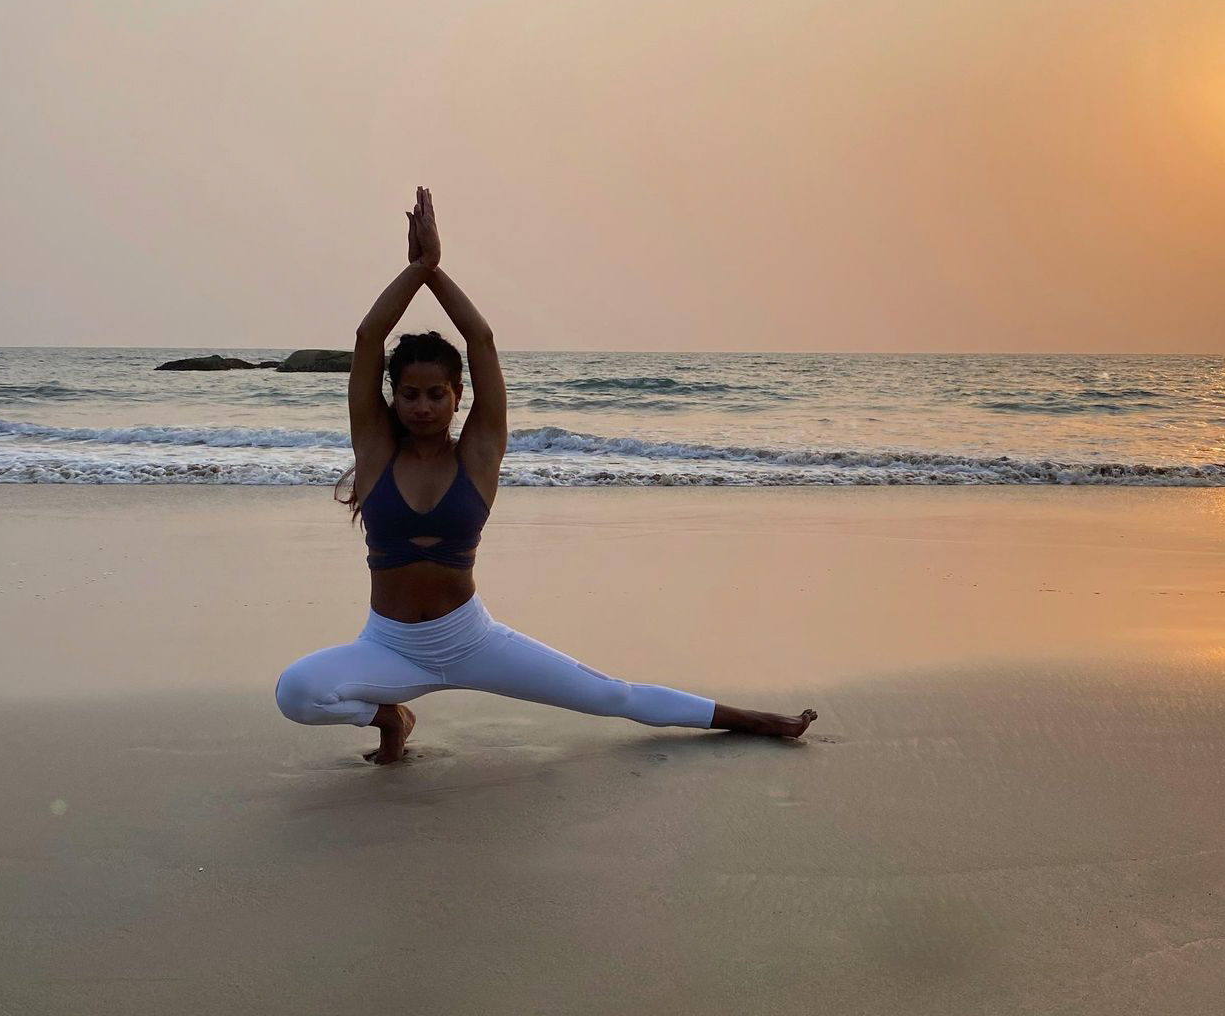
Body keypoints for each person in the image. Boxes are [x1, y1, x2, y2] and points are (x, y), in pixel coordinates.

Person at [275, 187, 818, 763]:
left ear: (459, 397)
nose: (423, 406)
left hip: (471, 641)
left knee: (612, 695)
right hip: (388, 647)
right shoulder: (377, 450)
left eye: (437, 394)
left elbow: (480, 340)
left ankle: (757, 721)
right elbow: (367, 340)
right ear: (395, 397)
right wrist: (416, 269)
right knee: (298, 693)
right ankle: (394, 718)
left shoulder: (479, 453)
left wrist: (436, 269)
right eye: (409, 394)